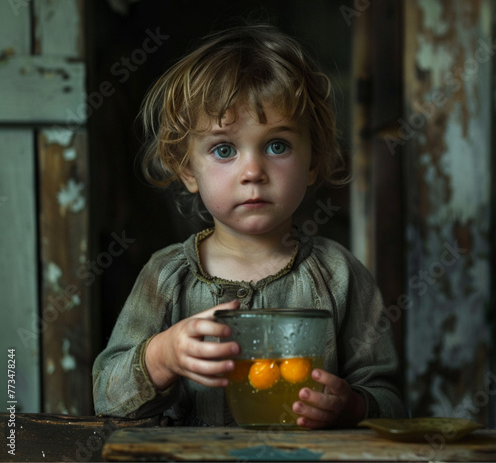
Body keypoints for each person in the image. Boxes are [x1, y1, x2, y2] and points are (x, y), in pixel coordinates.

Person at [92, 24, 406, 428]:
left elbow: (392, 403)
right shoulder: (166, 277)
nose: (253, 171)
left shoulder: (341, 277)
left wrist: (355, 407)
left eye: (278, 145)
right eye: (224, 149)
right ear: (188, 169)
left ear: (313, 161)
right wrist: (161, 356)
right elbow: (106, 396)